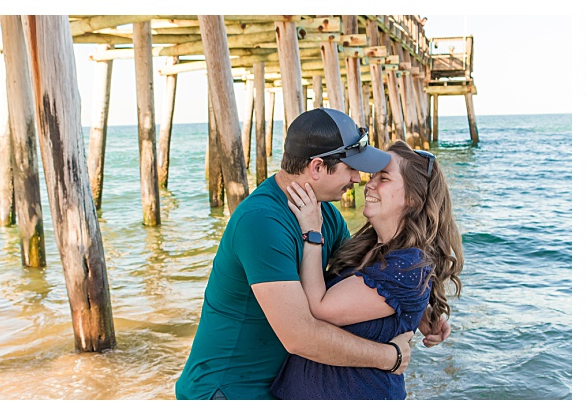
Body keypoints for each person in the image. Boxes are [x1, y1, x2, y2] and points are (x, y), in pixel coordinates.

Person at [175, 108, 448, 400]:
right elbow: (299, 336)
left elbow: (362, 279)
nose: (359, 178)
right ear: (317, 167)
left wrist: (416, 310)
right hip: (228, 389)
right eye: (351, 167)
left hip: (276, 385)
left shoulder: (324, 215)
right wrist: (389, 357)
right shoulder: (261, 222)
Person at [269, 140, 463, 400]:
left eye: (383, 178)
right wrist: (421, 314)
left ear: (413, 199)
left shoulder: (408, 266)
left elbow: (320, 307)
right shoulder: (368, 247)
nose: (368, 184)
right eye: (372, 176)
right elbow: (382, 298)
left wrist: (312, 233)